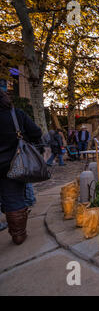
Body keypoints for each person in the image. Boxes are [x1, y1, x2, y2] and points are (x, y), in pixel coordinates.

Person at [0, 90, 42, 244]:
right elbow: (37, 133)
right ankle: (18, 235)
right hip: (12, 165)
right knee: (14, 200)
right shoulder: (15, 115)